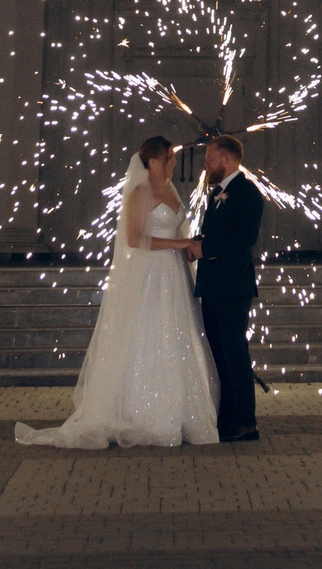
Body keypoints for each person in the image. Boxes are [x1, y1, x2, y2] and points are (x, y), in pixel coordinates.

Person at [15, 135, 220, 448]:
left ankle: (179, 412)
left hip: (175, 275)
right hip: (150, 274)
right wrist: (180, 244)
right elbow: (135, 239)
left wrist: (190, 246)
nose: (174, 163)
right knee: (148, 333)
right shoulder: (140, 192)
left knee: (175, 335)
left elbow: (176, 228)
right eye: (169, 158)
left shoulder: (170, 188)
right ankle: (141, 413)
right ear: (153, 161)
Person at [186, 132, 265, 443]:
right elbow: (221, 233)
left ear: (227, 159)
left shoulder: (246, 192)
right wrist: (198, 244)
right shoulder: (216, 192)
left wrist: (207, 249)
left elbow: (245, 238)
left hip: (233, 286)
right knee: (220, 352)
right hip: (216, 285)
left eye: (210, 157)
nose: (206, 163)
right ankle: (228, 418)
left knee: (234, 353)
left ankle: (245, 422)